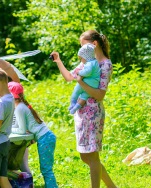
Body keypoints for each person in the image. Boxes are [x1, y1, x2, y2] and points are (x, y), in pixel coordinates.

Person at [50, 30, 116, 188]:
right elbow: (69, 77)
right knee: (85, 157)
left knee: (93, 156)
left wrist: (81, 82)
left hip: (93, 114)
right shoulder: (86, 62)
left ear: (94, 44)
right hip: (81, 113)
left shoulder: (105, 64)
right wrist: (58, 61)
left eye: (83, 45)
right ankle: (112, 186)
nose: (81, 49)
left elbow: (100, 94)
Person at [8, 81, 58, 188]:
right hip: (47, 137)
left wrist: (8, 129)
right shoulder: (21, 106)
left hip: (45, 138)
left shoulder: (20, 108)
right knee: (46, 169)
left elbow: (21, 130)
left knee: (46, 170)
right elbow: (22, 128)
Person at [69, 43, 101, 114]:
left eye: (81, 58)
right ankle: (76, 107)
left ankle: (73, 103)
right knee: (84, 97)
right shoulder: (95, 62)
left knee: (76, 91)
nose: (81, 60)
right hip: (94, 85)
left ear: (86, 56)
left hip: (87, 82)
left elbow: (87, 72)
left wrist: (79, 72)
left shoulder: (90, 63)